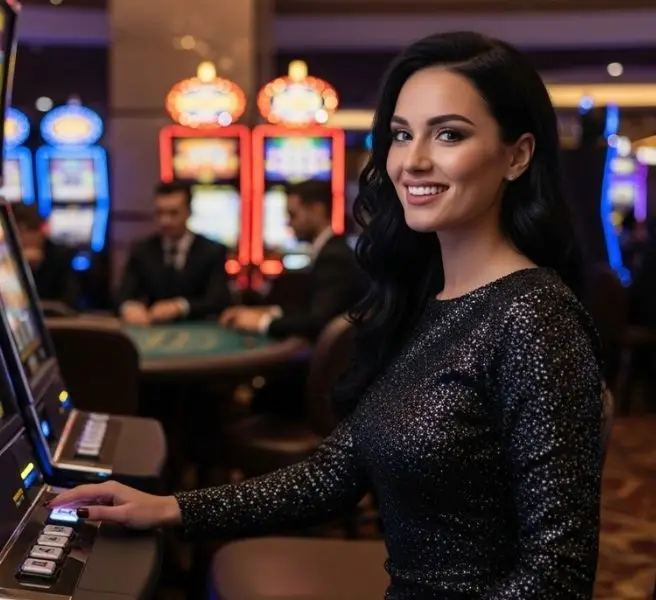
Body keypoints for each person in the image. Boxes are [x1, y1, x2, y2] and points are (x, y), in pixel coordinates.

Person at [47, 32, 606, 599]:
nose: (412, 161)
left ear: (518, 155)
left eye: (449, 134)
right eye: (401, 135)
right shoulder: (422, 301)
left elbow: (555, 578)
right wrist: (168, 507)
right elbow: (333, 474)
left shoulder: (534, 315)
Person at [220, 180, 366, 340]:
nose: (289, 223)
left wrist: (262, 322)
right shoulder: (331, 249)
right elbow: (310, 308)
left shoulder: (334, 257)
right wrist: (268, 311)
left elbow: (317, 322)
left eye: (293, 214)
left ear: (317, 211)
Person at [116, 182, 231, 324]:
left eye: (173, 213)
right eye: (160, 213)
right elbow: (122, 295)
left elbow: (219, 301)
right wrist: (128, 307)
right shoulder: (141, 250)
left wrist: (180, 306)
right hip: (152, 330)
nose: (165, 221)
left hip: (197, 328)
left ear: (189, 212)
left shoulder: (212, 251)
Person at [11, 203, 80, 309]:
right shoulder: (5, 256)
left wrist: (37, 267)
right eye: (19, 233)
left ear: (41, 232)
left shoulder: (60, 255)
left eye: (28, 232)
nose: (23, 239)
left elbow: (68, 305)